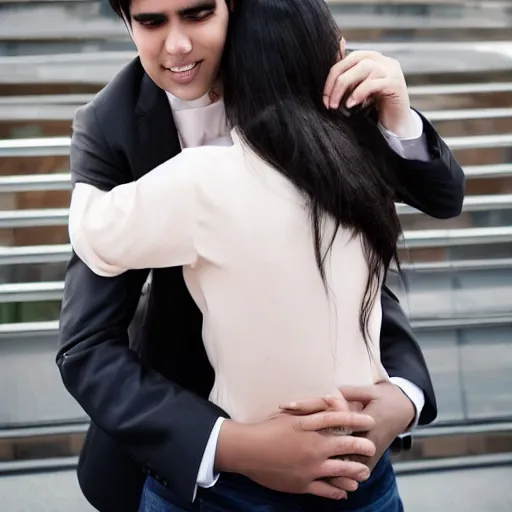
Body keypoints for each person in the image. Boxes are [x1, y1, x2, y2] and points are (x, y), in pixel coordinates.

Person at [56, 0, 464, 511]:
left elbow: (429, 206)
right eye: (152, 21)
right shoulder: (110, 125)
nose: (177, 44)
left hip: (354, 451)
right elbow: (87, 345)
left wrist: (403, 396)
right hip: (196, 462)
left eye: (198, 14)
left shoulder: (319, 78)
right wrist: (237, 447)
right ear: (126, 21)